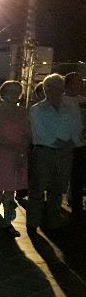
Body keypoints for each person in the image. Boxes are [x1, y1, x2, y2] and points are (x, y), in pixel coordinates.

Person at [27, 74, 83, 234]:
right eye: (52, 87)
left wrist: (73, 141)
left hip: (65, 153)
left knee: (57, 190)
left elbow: (77, 125)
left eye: (59, 87)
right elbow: (39, 131)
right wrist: (59, 142)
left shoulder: (71, 106)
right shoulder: (37, 109)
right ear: (46, 89)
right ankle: (33, 223)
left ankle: (53, 221)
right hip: (45, 151)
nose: (56, 91)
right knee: (38, 189)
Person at [0, 81, 31, 236]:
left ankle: (7, 222)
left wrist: (22, 150)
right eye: (10, 91)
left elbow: (28, 133)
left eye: (17, 91)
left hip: (18, 154)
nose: (14, 94)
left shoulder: (23, 111)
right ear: (3, 93)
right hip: (1, 153)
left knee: (10, 191)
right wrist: (17, 147)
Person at [64, 72, 86, 218]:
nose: (81, 84)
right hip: (63, 144)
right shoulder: (60, 101)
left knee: (78, 176)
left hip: (80, 144)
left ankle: (76, 203)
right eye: (78, 82)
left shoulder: (83, 101)